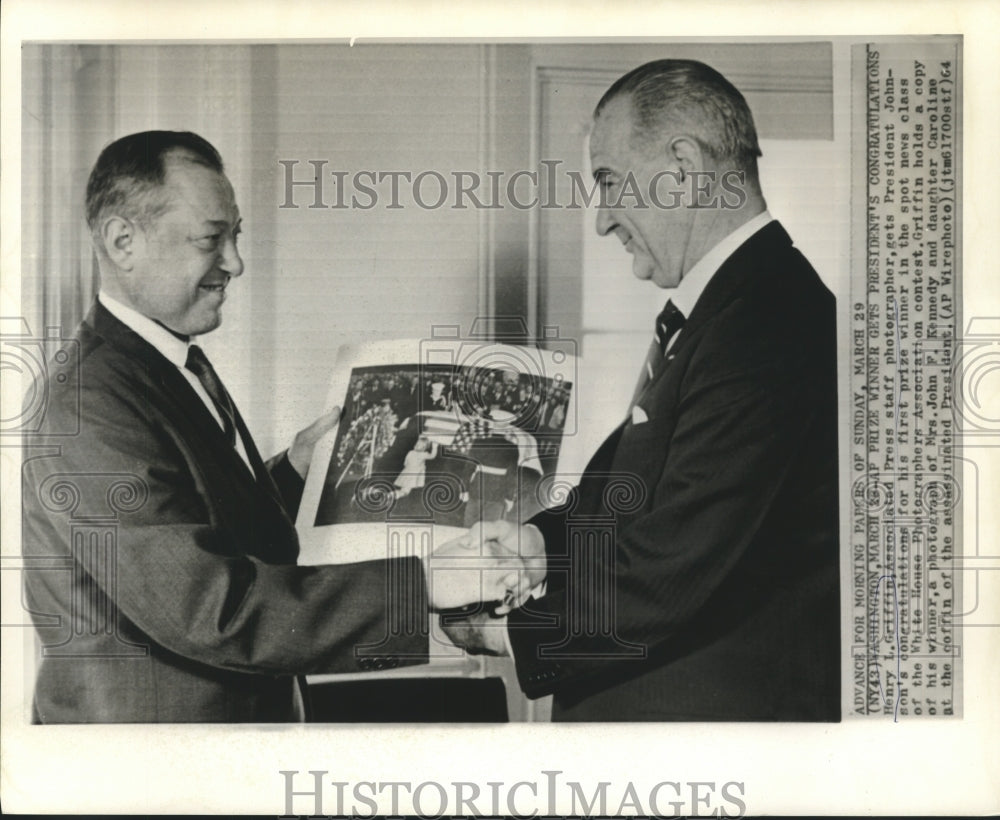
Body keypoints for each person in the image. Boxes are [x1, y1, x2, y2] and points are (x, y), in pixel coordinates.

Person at [20, 130, 518, 723]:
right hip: (157, 772)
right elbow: (211, 610)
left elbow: (189, 519)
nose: (235, 262)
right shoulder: (87, 401)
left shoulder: (161, 362)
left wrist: (292, 473)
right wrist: (428, 582)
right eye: (212, 239)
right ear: (123, 241)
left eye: (235, 236)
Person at [441, 60, 841, 721]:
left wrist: (500, 633)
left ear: (682, 167)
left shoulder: (767, 319)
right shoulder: (729, 308)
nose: (602, 222)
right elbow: (622, 495)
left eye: (607, 180)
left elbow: (671, 566)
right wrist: (532, 547)